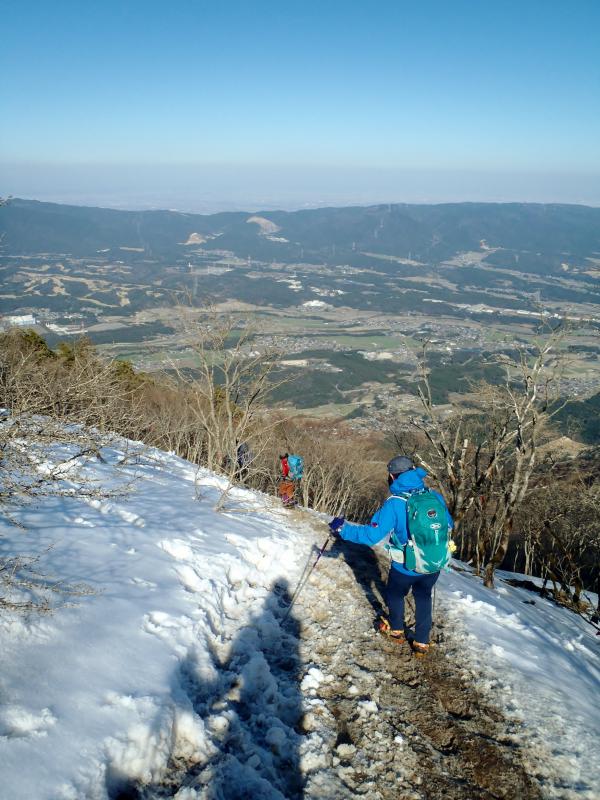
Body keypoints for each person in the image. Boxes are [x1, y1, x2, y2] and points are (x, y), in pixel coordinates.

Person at [329, 455, 453, 657]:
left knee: (395, 594)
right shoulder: (433, 495)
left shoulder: (395, 503)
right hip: (433, 562)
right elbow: (449, 524)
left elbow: (371, 536)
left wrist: (342, 529)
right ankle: (422, 641)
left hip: (406, 565)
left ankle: (397, 631)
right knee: (423, 596)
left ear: (392, 477)